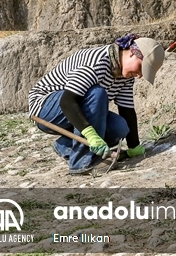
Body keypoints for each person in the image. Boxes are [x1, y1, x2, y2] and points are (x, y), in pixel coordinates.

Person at [28, 34, 164, 175]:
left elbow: (127, 110)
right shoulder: (96, 62)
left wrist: (134, 146)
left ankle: (65, 145)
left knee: (120, 127)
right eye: (141, 68)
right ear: (131, 53)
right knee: (97, 92)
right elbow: (67, 102)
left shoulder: (125, 76)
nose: (140, 75)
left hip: (73, 110)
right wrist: (91, 136)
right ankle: (82, 161)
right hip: (46, 109)